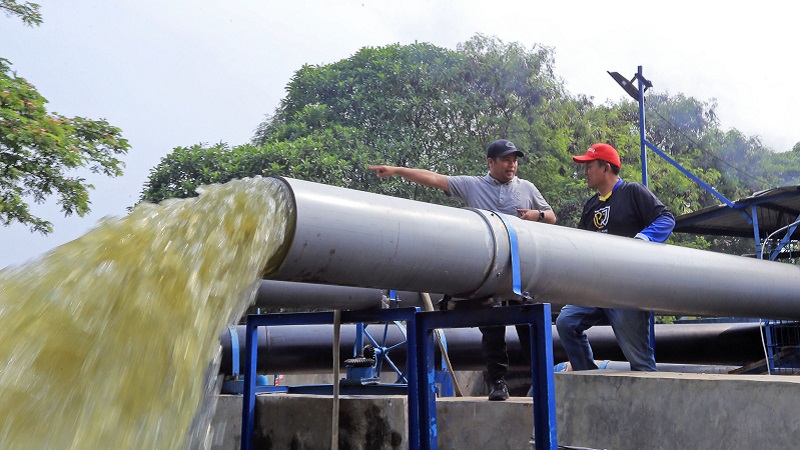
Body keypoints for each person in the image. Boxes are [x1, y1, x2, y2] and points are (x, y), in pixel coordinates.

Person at [369, 139, 556, 401]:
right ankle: (498, 383)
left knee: (530, 326)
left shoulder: (526, 188)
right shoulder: (473, 185)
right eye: (505, 159)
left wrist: (537, 216)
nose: (512, 164)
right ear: (490, 163)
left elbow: (552, 216)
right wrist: (398, 170)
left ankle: (543, 381)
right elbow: (434, 179)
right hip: (487, 273)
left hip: (520, 271)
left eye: (514, 160)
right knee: (492, 328)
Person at [556, 142, 675, 372]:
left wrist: (644, 238)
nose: (585, 172)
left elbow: (666, 219)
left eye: (589, 166)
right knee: (566, 322)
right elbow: (582, 244)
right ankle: (588, 376)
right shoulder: (590, 205)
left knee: (638, 358)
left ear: (606, 168)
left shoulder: (632, 192)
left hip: (628, 290)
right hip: (597, 287)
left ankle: (651, 402)